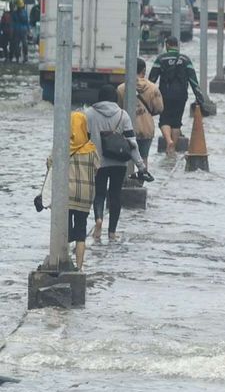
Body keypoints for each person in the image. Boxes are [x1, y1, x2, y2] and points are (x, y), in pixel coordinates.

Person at [85, 85, 153, 242]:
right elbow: (132, 143)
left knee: (99, 194)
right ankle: (112, 233)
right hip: (119, 163)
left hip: (97, 162)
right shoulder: (123, 115)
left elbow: (84, 139)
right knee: (115, 195)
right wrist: (141, 166)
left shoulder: (89, 114)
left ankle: (98, 219)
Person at [46, 112, 101, 269]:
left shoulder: (62, 147)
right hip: (85, 195)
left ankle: (61, 261)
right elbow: (97, 168)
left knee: (64, 227)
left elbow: (50, 164)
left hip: (65, 195)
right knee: (81, 231)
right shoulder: (91, 149)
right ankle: (78, 267)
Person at [149, 36, 206, 152]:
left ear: (167, 45)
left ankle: (168, 141)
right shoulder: (185, 60)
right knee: (176, 122)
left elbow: (152, 79)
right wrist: (199, 96)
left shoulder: (161, 59)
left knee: (164, 119)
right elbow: (193, 80)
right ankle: (172, 148)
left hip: (164, 95)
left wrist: (147, 95)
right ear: (177, 45)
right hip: (181, 96)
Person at [117, 57, 165, 161]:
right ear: (143, 71)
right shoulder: (153, 88)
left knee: (126, 158)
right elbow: (159, 108)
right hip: (146, 129)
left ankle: (127, 177)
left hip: (126, 129)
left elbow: (118, 109)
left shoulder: (121, 88)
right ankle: (142, 176)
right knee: (143, 159)